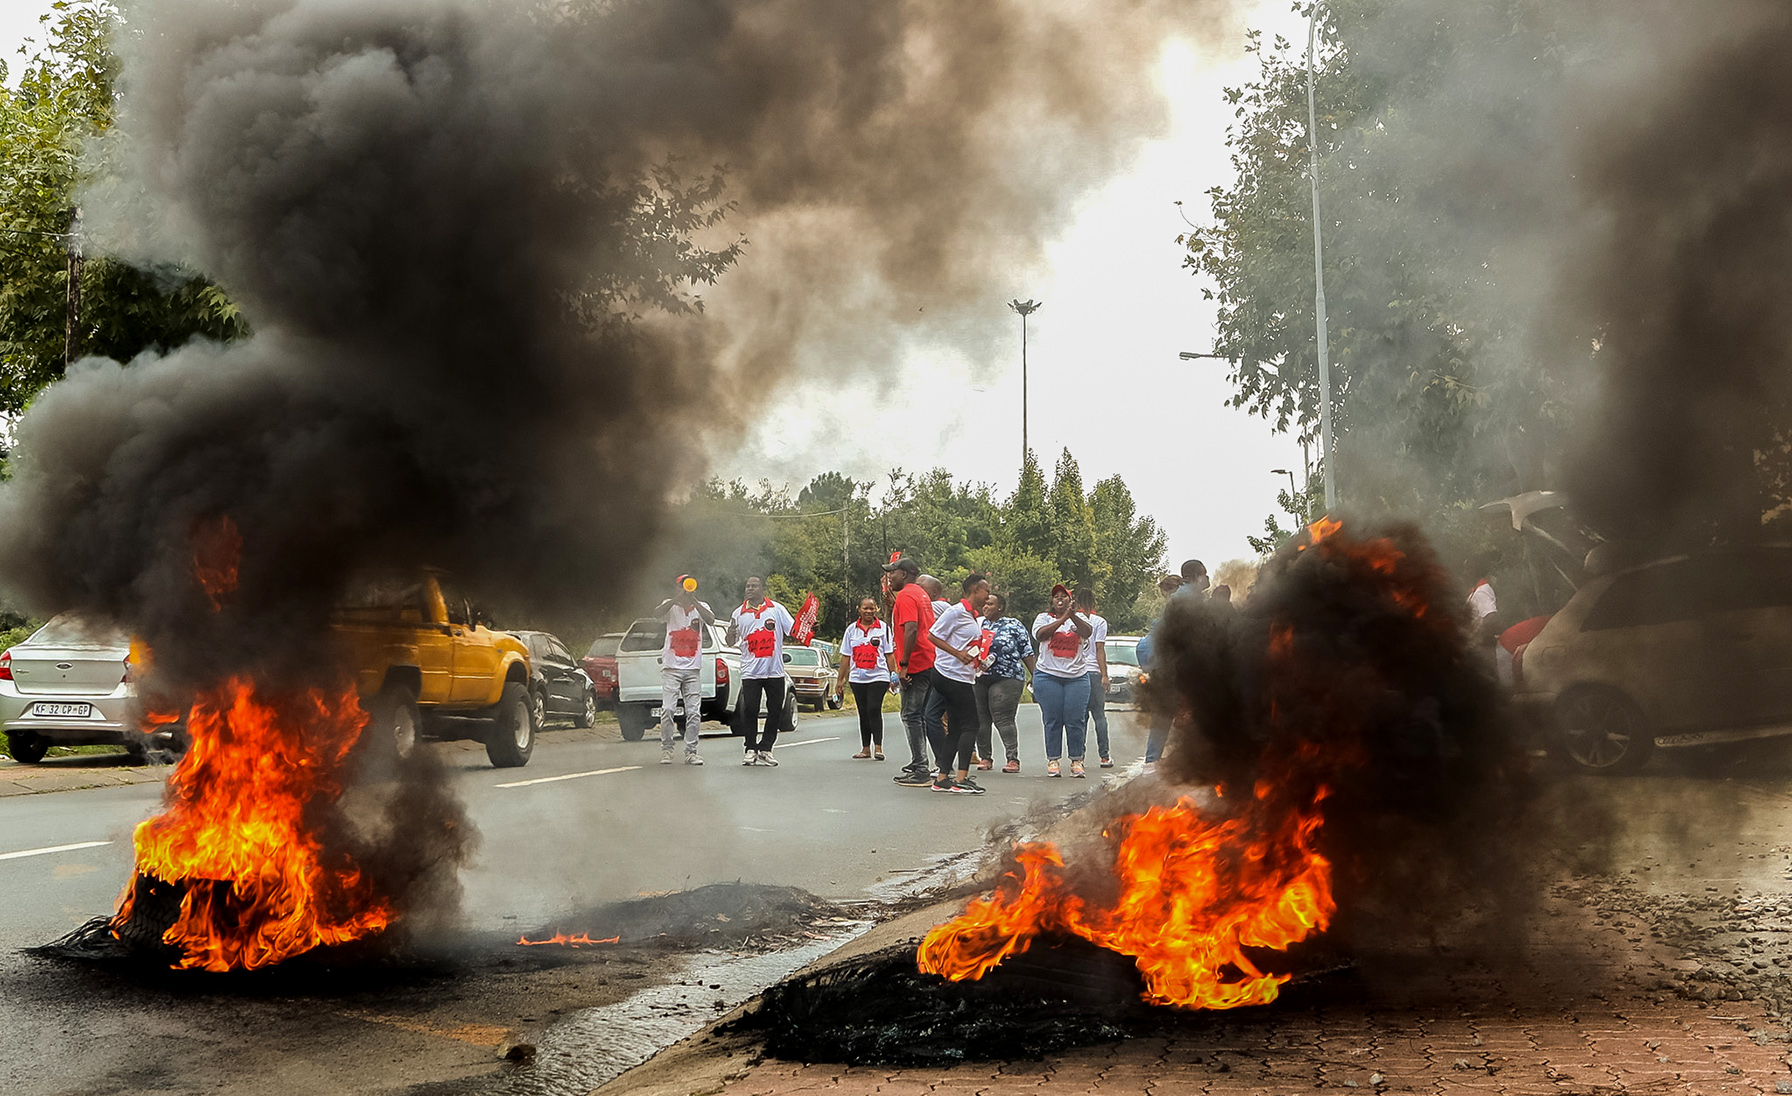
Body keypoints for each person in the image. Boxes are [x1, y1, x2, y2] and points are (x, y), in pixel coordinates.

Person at [926, 573, 992, 794]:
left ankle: (943, 778)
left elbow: (965, 642)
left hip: (962, 674)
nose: (988, 596)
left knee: (955, 728)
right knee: (970, 725)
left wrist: (976, 661)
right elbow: (933, 635)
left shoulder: (971, 615)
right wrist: (957, 654)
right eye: (986, 591)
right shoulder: (955, 611)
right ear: (974, 590)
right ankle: (961, 779)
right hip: (951, 675)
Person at [725, 575, 796, 767]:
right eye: (747, 586)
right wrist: (730, 634)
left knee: (775, 711)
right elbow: (730, 642)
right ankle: (750, 748)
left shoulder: (777, 609)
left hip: (775, 671)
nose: (750, 589)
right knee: (750, 710)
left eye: (754, 586)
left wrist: (809, 627)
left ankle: (766, 748)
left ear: (762, 588)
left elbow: (793, 630)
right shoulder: (738, 613)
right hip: (751, 671)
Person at [883, 557, 937, 788]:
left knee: (911, 715)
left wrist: (903, 664)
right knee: (921, 715)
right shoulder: (920, 594)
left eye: (892, 572)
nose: (889, 577)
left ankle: (921, 768)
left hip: (916, 663)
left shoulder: (906, 595)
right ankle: (921, 763)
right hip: (929, 660)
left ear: (904, 574)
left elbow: (912, 628)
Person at [1032, 583, 1094, 777]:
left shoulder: (1080, 618)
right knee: (1053, 719)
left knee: (1076, 719)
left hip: (1076, 677)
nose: (1059, 599)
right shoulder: (1043, 618)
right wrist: (1063, 618)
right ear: (1052, 601)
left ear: (1070, 600)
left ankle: (1077, 760)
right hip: (1048, 675)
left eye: (1064, 596)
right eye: (1056, 596)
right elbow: (1040, 635)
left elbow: (1087, 632)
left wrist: (1072, 615)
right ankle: (1053, 760)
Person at [654, 575, 716, 765]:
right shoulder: (669, 605)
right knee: (668, 710)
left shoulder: (701, 606)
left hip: (692, 670)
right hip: (672, 668)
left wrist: (694, 601)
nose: (687, 589)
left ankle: (691, 751)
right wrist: (677, 598)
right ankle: (667, 749)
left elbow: (711, 620)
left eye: (690, 586)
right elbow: (657, 613)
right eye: (683, 585)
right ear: (677, 587)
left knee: (694, 713)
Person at [974, 591, 1034, 773]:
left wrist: (1035, 675)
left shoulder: (1013, 625)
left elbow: (1026, 651)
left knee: (1002, 717)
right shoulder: (976, 624)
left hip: (1007, 676)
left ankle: (1012, 759)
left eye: (990, 604)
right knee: (980, 718)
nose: (985, 607)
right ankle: (985, 757)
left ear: (1000, 607)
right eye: (984, 604)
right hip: (979, 676)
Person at [835, 596, 895, 760]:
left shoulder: (884, 628)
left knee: (873, 709)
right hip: (857, 678)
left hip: (879, 676)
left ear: (876, 609)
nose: (868, 611)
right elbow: (846, 657)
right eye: (865, 608)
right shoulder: (851, 630)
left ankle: (878, 747)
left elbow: (889, 654)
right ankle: (865, 748)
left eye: (872, 608)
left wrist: (893, 675)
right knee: (863, 711)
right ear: (859, 609)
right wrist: (840, 680)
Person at [1140, 573, 1181, 771]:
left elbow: (1145, 651)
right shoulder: (1163, 622)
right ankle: (1155, 764)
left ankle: (1153, 764)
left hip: (1171, 679)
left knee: (1162, 725)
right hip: (1176, 680)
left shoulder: (1164, 622)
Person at [1075, 588, 1113, 768]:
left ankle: (1079, 757)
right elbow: (1099, 649)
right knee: (1099, 715)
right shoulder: (1100, 622)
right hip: (1094, 672)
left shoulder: (1072, 620)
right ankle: (1104, 756)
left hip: (1078, 672)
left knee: (1081, 717)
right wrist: (1104, 674)